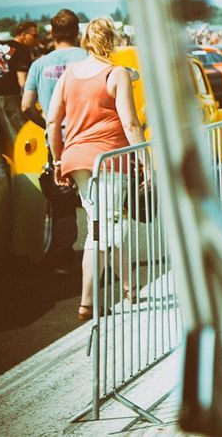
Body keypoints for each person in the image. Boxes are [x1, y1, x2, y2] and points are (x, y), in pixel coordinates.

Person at [45, 18, 146, 320]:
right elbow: (130, 123)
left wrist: (58, 158)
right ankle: (87, 302)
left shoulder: (69, 76)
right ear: (112, 41)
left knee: (105, 224)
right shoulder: (116, 74)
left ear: (86, 40)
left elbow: (52, 122)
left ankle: (129, 287)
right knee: (102, 230)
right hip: (109, 159)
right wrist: (145, 162)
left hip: (77, 159)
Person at [22, 9, 88, 270]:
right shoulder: (88, 59)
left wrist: (48, 127)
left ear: (51, 32)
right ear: (77, 32)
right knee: (95, 196)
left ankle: (62, 253)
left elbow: (26, 106)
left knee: (61, 199)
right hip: (86, 136)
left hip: (56, 142)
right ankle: (101, 252)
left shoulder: (39, 64)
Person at [0, 21, 38, 152]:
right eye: (34, 35)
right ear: (23, 35)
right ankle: (20, 167)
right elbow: (22, 81)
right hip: (8, 96)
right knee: (18, 136)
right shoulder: (22, 50)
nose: (36, 39)